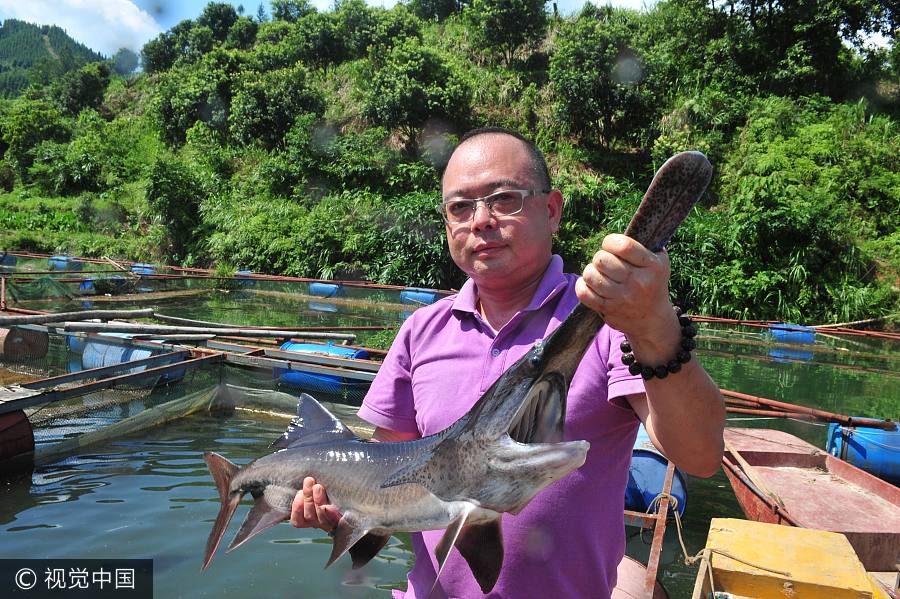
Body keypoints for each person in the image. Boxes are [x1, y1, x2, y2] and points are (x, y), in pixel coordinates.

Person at [291, 128, 725, 598]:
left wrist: (656, 327)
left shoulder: (615, 320)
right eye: (460, 208)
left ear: (552, 210)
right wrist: (343, 511)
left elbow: (699, 456)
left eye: (504, 199)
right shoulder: (421, 330)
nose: (480, 221)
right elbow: (390, 482)